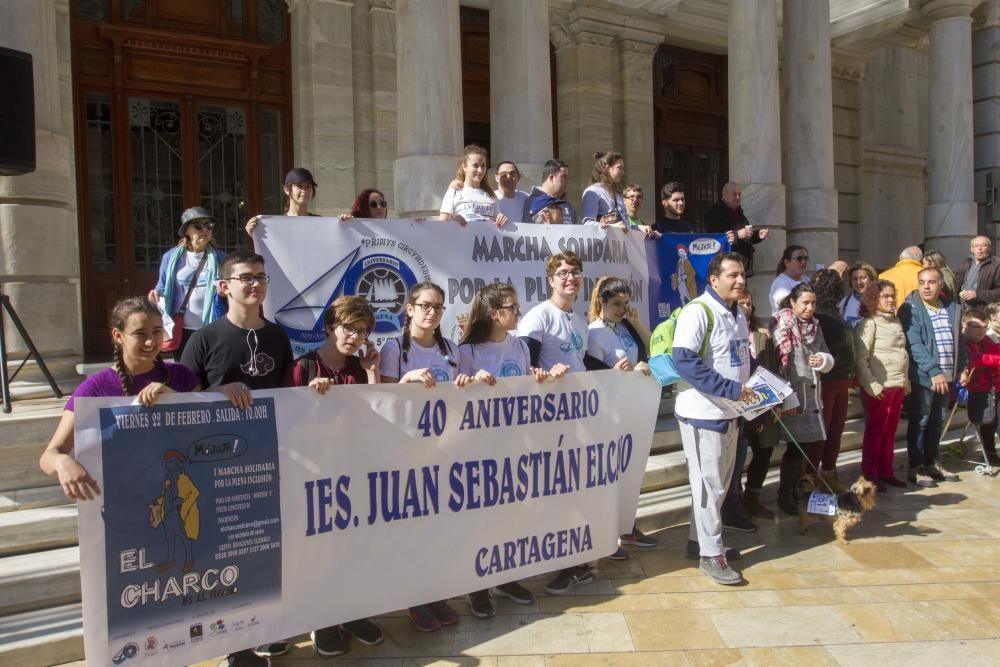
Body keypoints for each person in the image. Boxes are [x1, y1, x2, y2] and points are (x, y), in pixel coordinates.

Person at [180, 250, 295, 664]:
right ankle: (233, 643)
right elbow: (182, 397)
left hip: (267, 458)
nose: (256, 284)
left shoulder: (279, 337)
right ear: (224, 286)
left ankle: (265, 628)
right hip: (217, 465)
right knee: (226, 553)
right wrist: (218, 392)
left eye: (261, 277)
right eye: (246, 277)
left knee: (265, 547)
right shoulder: (205, 338)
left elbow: (287, 394)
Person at [456, 283, 560, 618]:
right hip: (480, 449)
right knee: (482, 521)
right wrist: (471, 383)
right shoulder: (468, 350)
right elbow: (456, 400)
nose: (518, 312)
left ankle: (507, 577)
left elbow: (526, 389)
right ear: (493, 313)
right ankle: (477, 588)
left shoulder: (519, 347)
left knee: (513, 516)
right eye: (512, 307)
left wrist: (542, 378)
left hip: (516, 445)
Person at [289, 296, 385, 655]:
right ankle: (322, 619)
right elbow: (291, 424)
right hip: (315, 474)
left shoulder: (360, 368)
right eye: (349, 328)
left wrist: (373, 371)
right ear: (331, 327)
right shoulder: (304, 367)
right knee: (320, 551)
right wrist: (311, 402)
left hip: (354, 467)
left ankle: (352, 612)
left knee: (354, 547)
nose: (355, 337)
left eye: (362, 331)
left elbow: (379, 416)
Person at [39, 297, 201, 502]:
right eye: (140, 334)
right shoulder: (94, 388)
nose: (150, 341)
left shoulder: (182, 376)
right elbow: (49, 455)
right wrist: (62, 463)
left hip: (180, 499)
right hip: (124, 503)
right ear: (118, 336)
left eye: (157, 331)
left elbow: (210, 425)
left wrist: (174, 398)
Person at [378, 281, 471, 631]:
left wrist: (469, 383)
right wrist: (407, 381)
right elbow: (384, 401)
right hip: (408, 451)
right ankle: (415, 598)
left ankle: (438, 594)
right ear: (410, 308)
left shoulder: (450, 348)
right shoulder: (394, 349)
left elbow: (460, 395)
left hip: (446, 450)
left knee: (441, 528)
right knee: (413, 529)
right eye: (426, 306)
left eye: (438, 307)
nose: (432, 313)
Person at [516, 251, 606, 594]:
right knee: (555, 493)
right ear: (550, 279)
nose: (571, 278)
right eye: (564, 273)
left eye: (576, 272)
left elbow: (585, 364)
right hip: (547, 423)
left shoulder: (580, 321)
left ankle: (577, 562)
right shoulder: (539, 317)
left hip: (579, 419)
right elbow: (527, 368)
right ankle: (561, 560)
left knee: (577, 490)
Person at [672, 252, 755, 585]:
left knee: (717, 486)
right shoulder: (699, 311)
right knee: (709, 486)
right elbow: (685, 363)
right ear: (713, 279)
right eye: (732, 275)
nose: (740, 280)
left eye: (742, 274)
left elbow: (742, 358)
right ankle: (711, 554)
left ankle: (699, 541)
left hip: (731, 412)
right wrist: (729, 390)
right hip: (702, 413)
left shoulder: (737, 314)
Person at [586, 277, 657, 553]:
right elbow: (593, 372)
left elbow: (654, 346)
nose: (621, 309)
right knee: (611, 473)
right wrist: (615, 370)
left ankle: (627, 526)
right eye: (616, 304)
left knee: (631, 471)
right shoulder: (593, 332)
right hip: (610, 411)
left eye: (625, 304)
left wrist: (636, 321)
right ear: (602, 301)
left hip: (634, 408)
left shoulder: (627, 326)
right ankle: (608, 532)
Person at [772, 283, 835, 516]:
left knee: (805, 447)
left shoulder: (816, 326)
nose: (810, 308)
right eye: (805, 303)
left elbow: (827, 353)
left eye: (813, 303)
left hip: (811, 396)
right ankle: (784, 494)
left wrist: (823, 359)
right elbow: (779, 364)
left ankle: (797, 490)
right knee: (793, 449)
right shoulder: (782, 323)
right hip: (792, 396)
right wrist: (786, 399)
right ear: (792, 302)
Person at [898, 267, 962, 488]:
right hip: (924, 376)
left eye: (931, 282)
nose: (926, 286)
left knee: (938, 420)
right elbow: (914, 344)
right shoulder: (910, 308)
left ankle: (933, 461)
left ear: (940, 285)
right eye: (922, 282)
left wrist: (961, 367)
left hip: (947, 374)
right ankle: (916, 467)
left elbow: (958, 339)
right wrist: (933, 371)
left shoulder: (951, 307)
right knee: (921, 419)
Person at [148, 206, 226, 357]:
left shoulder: (221, 258)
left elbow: (231, 287)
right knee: (185, 372)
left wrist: (225, 293)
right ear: (186, 231)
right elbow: (161, 286)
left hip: (212, 326)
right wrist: (156, 293)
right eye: (198, 225)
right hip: (181, 329)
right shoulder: (170, 258)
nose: (205, 229)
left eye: (209, 225)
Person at [855, 280, 910, 490]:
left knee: (890, 430)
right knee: (876, 430)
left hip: (897, 384)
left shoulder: (895, 321)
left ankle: (887, 470)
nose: (890, 300)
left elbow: (902, 353)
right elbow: (861, 358)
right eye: (885, 296)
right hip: (880, 386)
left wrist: (906, 382)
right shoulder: (869, 323)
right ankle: (870, 473)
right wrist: (872, 385)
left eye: (892, 295)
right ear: (874, 299)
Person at [735, 291, 779, 520]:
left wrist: (777, 400)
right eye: (741, 303)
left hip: (763, 399)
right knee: (739, 455)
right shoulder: (729, 330)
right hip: (738, 401)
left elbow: (772, 366)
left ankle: (753, 497)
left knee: (764, 451)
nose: (745, 307)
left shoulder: (762, 335)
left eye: (749, 304)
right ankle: (735, 501)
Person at [812, 269, 856, 493]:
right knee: (824, 430)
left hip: (841, 379)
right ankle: (813, 479)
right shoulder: (819, 315)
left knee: (835, 429)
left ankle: (828, 473)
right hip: (828, 379)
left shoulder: (833, 312)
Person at [958, 309, 1000, 466]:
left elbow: (996, 351)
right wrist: (995, 360)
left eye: (985, 327)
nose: (982, 331)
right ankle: (989, 452)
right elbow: (974, 360)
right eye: (977, 327)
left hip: (992, 387)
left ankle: (990, 451)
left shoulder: (985, 340)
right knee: (988, 418)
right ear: (965, 325)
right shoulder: (962, 343)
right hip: (973, 390)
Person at [703, 182, 768, 276]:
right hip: (725, 268)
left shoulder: (739, 213)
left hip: (741, 267)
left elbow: (745, 237)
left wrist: (757, 235)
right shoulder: (714, 212)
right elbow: (715, 238)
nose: (738, 197)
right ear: (724, 194)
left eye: (739, 194)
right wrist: (737, 234)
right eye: (734, 194)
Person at [439, 144, 509, 228]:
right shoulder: (453, 191)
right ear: (464, 167)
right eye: (475, 166)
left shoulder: (491, 195)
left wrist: (502, 219)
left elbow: (499, 225)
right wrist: (454, 221)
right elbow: (442, 224)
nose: (480, 170)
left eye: (483, 166)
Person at [245, 167, 321, 235]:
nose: (304, 191)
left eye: (308, 186)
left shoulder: (320, 223)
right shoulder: (277, 225)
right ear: (287, 190)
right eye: (299, 186)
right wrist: (255, 234)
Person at [581, 151, 628, 230]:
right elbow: (588, 223)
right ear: (607, 167)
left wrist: (639, 228)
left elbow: (625, 224)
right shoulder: (594, 192)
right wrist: (613, 227)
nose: (623, 172)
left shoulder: (618, 195)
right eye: (619, 168)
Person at [523, 159, 578, 224]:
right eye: (564, 176)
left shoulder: (568, 206)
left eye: (567, 177)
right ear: (551, 177)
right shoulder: (532, 202)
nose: (567, 181)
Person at [956, 235, 1000, 311]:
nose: (980, 249)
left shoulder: (996, 264)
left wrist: (977, 295)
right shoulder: (966, 263)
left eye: (984, 246)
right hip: (964, 310)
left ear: (989, 248)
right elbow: (957, 286)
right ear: (971, 249)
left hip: (984, 311)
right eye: (976, 246)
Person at [768, 245, 811, 313]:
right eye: (799, 259)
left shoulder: (806, 279)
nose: (803, 262)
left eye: (806, 258)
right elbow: (786, 305)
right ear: (787, 262)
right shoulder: (780, 283)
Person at [839, 262, 877, 326]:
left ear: (872, 279)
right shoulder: (844, 303)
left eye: (863, 278)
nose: (859, 282)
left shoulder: (881, 301)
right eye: (855, 279)